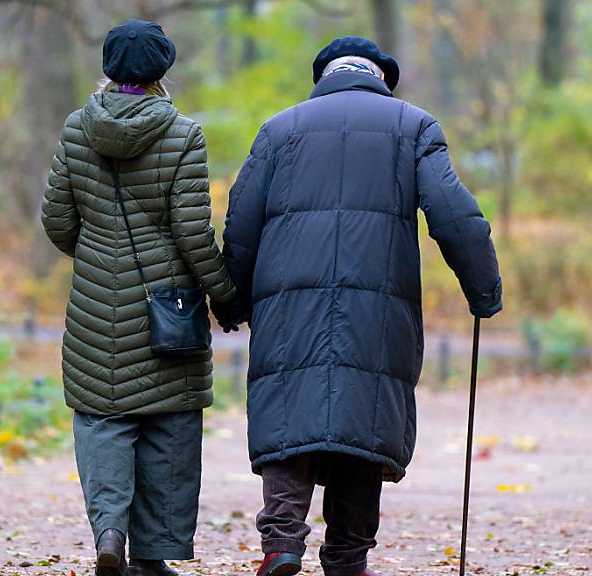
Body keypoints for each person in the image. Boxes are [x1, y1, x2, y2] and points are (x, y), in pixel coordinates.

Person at [213, 37, 503, 576]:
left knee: (289, 416)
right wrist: (482, 289)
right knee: (361, 423)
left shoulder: (280, 129)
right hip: (378, 309)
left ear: (322, 77)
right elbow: (454, 214)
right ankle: (347, 558)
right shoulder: (413, 126)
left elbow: (242, 222)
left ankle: (281, 544)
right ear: (381, 79)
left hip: (287, 308)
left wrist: (232, 299)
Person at [40, 19, 235, 576]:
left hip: (95, 309)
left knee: (103, 418)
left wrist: (99, 258)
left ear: (108, 70)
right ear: (162, 72)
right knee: (168, 423)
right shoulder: (182, 134)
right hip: (167, 309)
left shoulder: (77, 129)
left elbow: (57, 220)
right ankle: (152, 556)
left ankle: (108, 534)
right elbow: (193, 233)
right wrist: (224, 296)